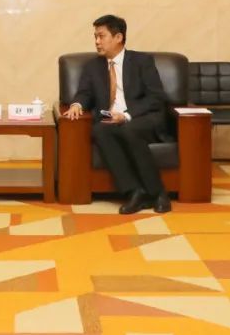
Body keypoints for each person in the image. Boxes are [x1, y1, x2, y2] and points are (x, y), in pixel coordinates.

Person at [62, 14, 170, 214]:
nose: (97, 41)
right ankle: (135, 192)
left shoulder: (142, 61)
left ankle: (158, 193)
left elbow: (156, 97)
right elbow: (84, 93)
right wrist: (77, 104)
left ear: (118, 37)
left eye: (101, 36)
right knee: (99, 130)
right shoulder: (93, 66)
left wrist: (126, 115)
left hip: (142, 118)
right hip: (111, 119)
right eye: (95, 37)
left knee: (129, 130)